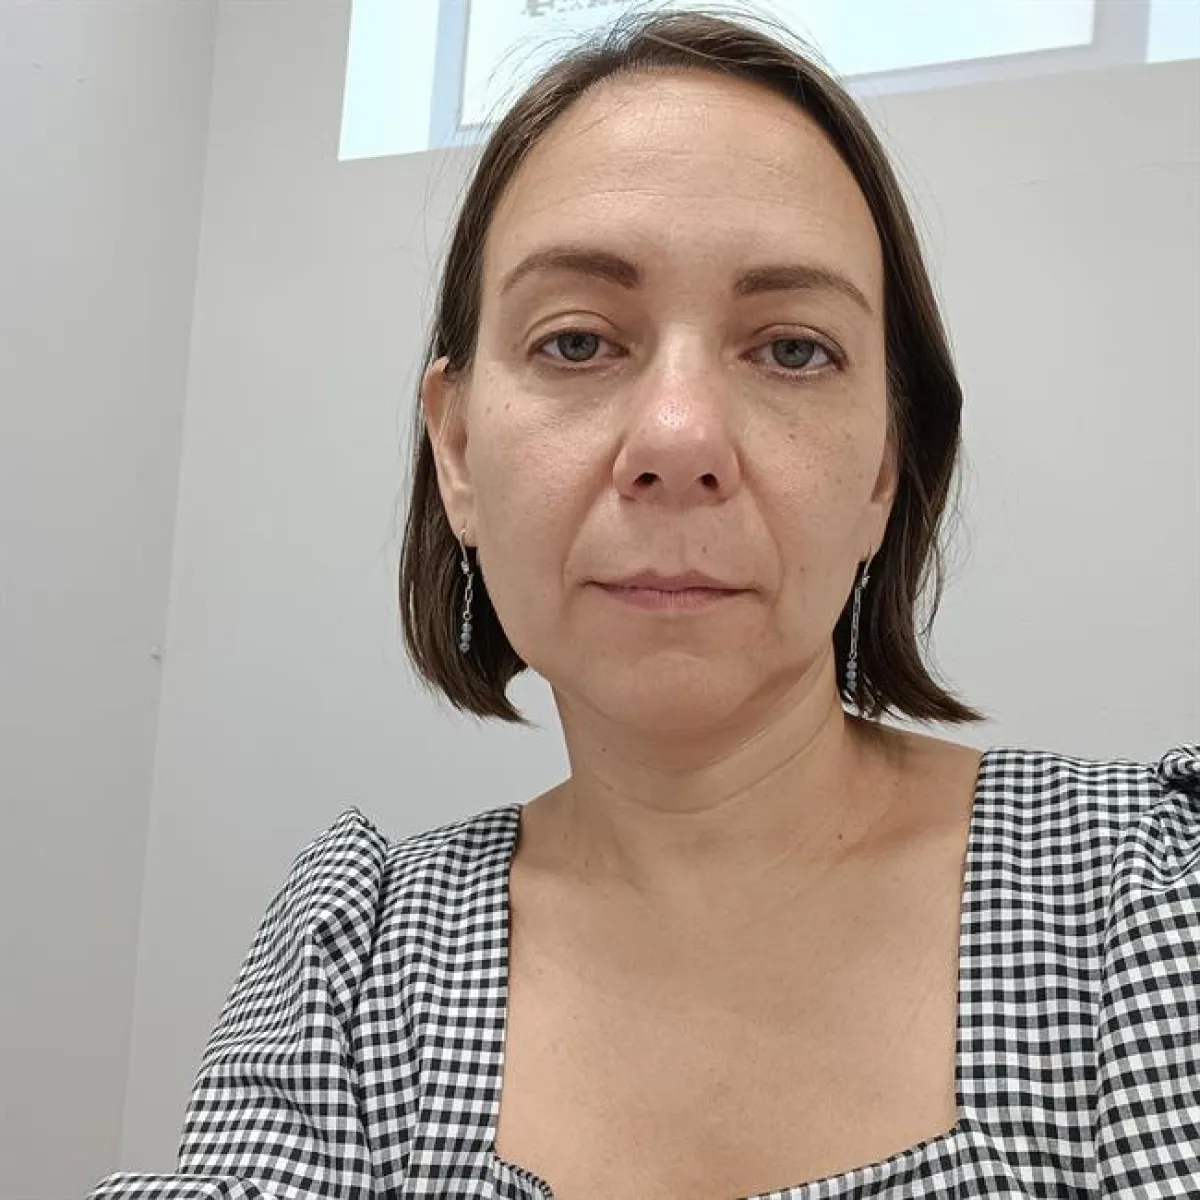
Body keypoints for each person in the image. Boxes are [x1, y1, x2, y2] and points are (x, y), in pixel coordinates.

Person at [88, 8, 1198, 1199]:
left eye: (792, 350)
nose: (677, 440)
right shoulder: (354, 974)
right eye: (576, 343)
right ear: (458, 452)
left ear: (885, 468)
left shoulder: (1150, 904)